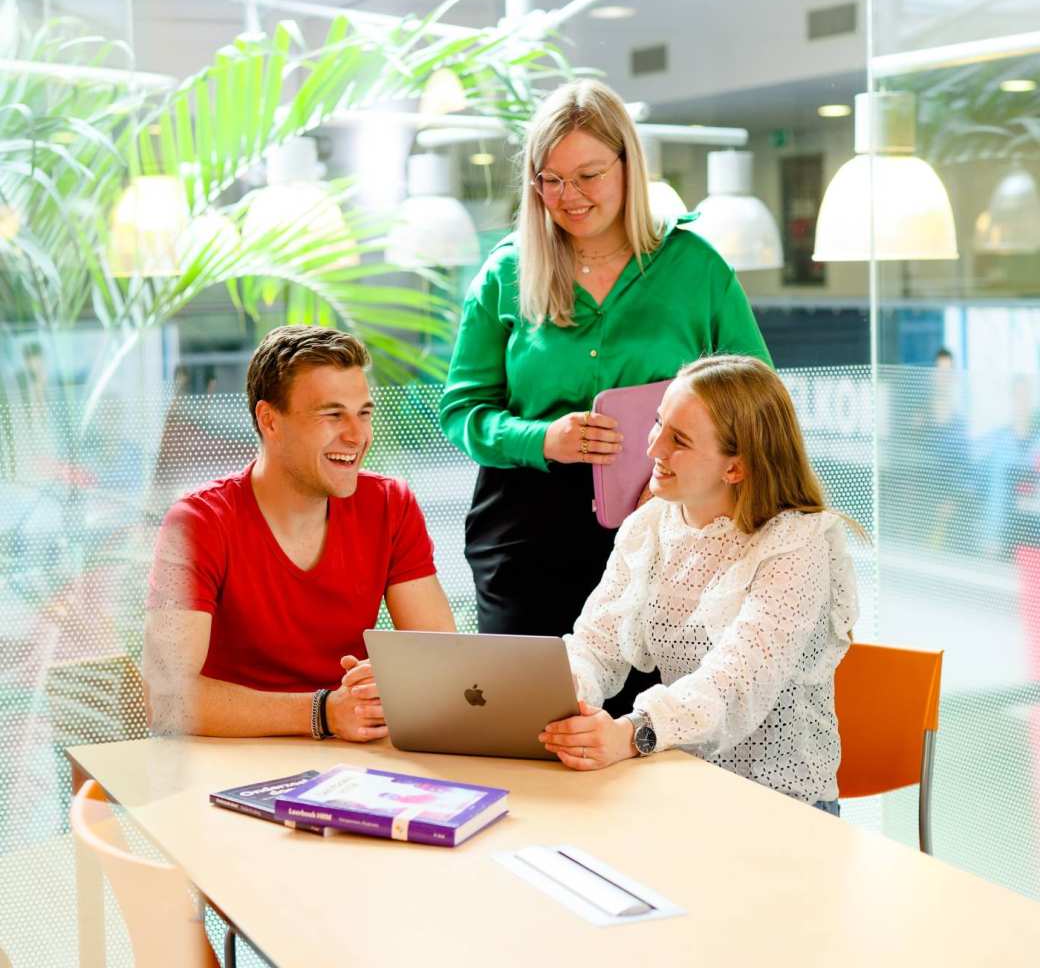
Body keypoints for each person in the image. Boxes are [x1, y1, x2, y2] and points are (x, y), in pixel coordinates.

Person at [439, 79, 771, 715]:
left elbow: (757, 400)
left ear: (628, 164)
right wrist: (542, 438)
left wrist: (697, 471)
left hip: (668, 521)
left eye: (588, 175)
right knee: (529, 717)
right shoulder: (505, 274)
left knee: (651, 723)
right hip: (526, 529)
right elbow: (461, 411)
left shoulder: (694, 267)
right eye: (551, 180)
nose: (570, 197)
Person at [538, 355, 858, 815]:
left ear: (736, 468)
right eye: (657, 423)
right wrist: (567, 695)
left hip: (781, 808)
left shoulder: (798, 542)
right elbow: (596, 642)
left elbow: (734, 682)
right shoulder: (648, 525)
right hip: (680, 788)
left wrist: (631, 733)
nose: (653, 450)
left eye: (679, 440)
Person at [144, 325, 455, 741]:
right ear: (270, 421)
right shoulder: (199, 523)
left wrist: (390, 683)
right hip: (232, 767)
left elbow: (444, 660)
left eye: (364, 413)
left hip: (352, 762)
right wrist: (322, 712)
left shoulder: (389, 505)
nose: (356, 435)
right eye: (332, 415)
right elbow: (166, 699)